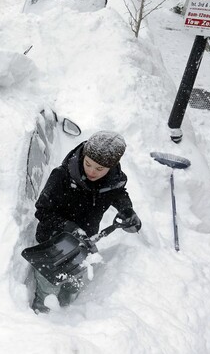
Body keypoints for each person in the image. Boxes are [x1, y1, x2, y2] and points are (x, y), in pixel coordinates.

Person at [31, 131, 141, 313]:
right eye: (88, 164)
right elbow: (42, 210)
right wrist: (69, 228)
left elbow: (119, 194)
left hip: (83, 245)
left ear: (111, 167)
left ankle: (68, 313)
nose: (91, 171)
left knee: (73, 286)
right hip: (52, 244)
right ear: (83, 155)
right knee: (49, 288)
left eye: (99, 169)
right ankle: (42, 316)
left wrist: (127, 210)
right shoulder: (61, 177)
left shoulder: (112, 182)